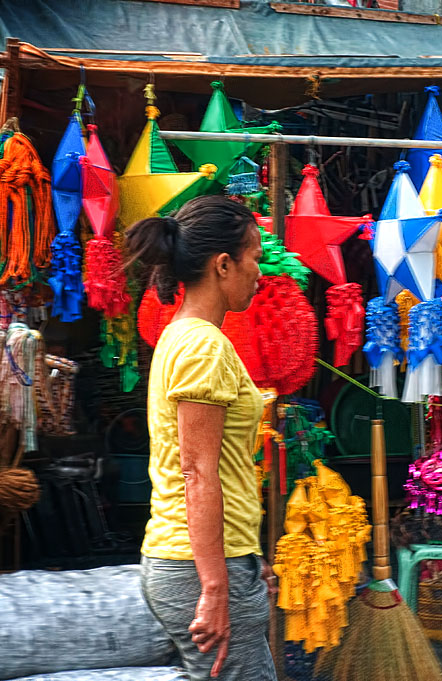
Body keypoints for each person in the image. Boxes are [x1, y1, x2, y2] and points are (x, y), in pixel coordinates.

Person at [126, 196, 276, 681]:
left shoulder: (184, 336)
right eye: (255, 258)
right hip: (198, 567)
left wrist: (247, 558)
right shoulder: (202, 346)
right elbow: (197, 473)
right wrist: (216, 587)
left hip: (206, 558)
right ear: (224, 263)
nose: (260, 272)